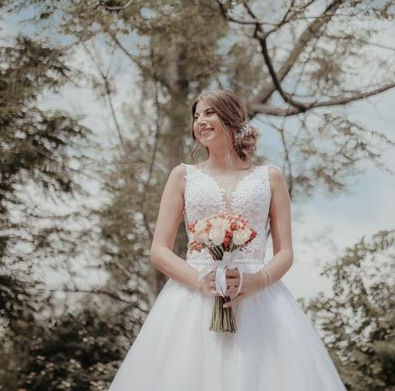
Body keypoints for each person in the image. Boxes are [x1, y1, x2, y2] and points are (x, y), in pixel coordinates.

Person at [108, 89, 347, 390]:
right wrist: (200, 282)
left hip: (260, 300)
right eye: (196, 116)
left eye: (209, 113)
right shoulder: (183, 176)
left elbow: (285, 252)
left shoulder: (270, 177)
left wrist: (258, 280)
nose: (200, 121)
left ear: (231, 117)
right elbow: (159, 250)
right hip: (194, 298)